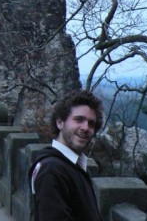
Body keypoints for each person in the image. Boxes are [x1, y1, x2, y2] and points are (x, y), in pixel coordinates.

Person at [29, 89, 105, 221]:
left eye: (91, 123)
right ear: (60, 122)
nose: (85, 127)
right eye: (79, 120)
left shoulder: (71, 165)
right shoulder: (52, 170)